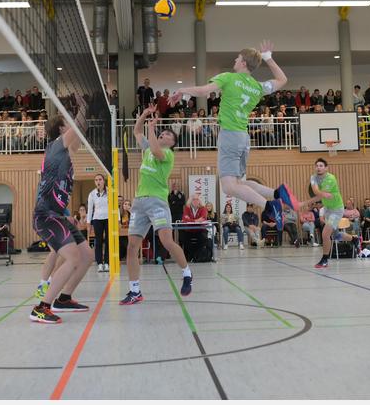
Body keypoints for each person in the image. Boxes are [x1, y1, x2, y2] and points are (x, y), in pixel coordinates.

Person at [169, 41, 296, 229]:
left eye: (238, 57)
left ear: (243, 63)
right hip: (243, 138)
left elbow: (204, 91)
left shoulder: (228, 77)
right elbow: (282, 80)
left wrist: (181, 90)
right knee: (239, 183)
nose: (235, 60)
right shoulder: (257, 86)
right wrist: (268, 57)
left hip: (229, 135)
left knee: (229, 187)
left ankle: (271, 205)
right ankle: (277, 193)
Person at [120, 104, 191, 305]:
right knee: (132, 246)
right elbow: (136, 131)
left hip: (157, 201)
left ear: (172, 142)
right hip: (139, 202)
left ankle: (186, 273)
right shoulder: (148, 150)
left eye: (168, 134)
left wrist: (152, 129)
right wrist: (143, 115)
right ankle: (135, 291)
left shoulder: (167, 154)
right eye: (163, 132)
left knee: (166, 241)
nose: (164, 134)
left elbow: (155, 150)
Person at [29, 113, 95, 323]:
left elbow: (79, 133)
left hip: (59, 215)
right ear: (60, 129)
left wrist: (67, 214)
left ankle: (64, 299)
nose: (71, 127)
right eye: (66, 124)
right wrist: (83, 108)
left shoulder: (65, 151)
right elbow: (77, 127)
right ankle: (42, 307)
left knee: (87, 256)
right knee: (73, 257)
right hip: (46, 216)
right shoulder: (56, 144)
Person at [299, 158, 361, 268]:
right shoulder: (313, 177)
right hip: (327, 208)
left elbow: (318, 193)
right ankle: (354, 239)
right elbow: (315, 191)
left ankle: (325, 260)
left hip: (336, 210)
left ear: (326, 168)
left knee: (325, 234)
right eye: (317, 165)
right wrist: (317, 195)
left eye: (321, 165)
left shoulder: (330, 178)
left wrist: (303, 203)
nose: (318, 167)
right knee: (336, 235)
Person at [87, 173, 110, 272]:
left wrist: (117, 219)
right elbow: (90, 209)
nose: (98, 182)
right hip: (97, 219)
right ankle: (100, 263)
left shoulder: (110, 191)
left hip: (108, 219)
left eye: (100, 179)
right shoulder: (92, 194)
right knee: (98, 242)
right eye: (96, 180)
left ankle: (107, 263)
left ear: (103, 181)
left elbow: (115, 206)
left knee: (109, 241)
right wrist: (89, 223)